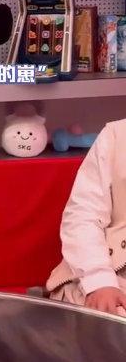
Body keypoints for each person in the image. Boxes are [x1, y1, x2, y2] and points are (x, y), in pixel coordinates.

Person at [47, 120, 126, 316]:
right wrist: (99, 280)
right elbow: (83, 215)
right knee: (109, 317)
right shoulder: (116, 135)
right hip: (108, 270)